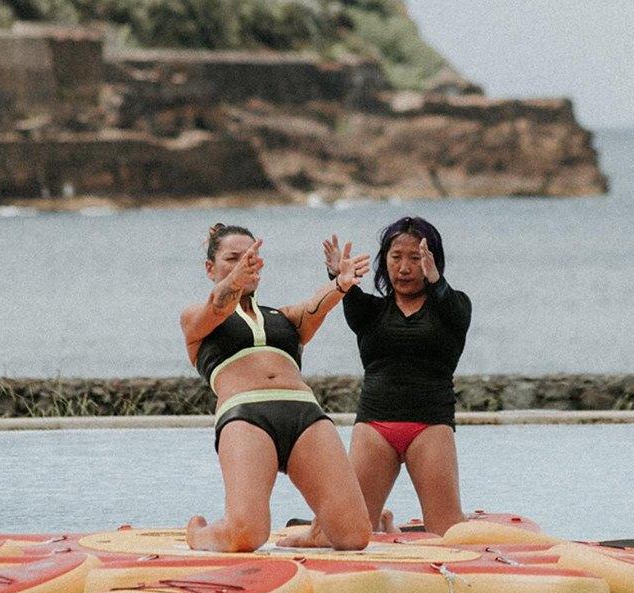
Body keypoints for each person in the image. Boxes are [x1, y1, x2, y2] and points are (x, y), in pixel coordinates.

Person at [182, 224, 372, 553]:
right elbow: (218, 305)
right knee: (246, 536)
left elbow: (316, 305)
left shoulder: (282, 316)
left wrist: (340, 284)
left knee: (355, 536)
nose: (246, 264)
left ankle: (316, 533)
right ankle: (200, 534)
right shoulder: (198, 318)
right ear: (210, 268)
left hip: (304, 415)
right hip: (246, 416)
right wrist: (234, 281)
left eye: (252, 257)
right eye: (233, 258)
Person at [330, 216, 474, 535]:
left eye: (415, 258)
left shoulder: (455, 307)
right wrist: (337, 277)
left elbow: (456, 312)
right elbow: (344, 294)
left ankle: (387, 525)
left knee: (446, 532)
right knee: (350, 532)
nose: (404, 267)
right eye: (396, 257)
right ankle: (380, 524)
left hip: (430, 426)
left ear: (431, 261)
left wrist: (437, 281)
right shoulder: (368, 311)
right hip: (375, 427)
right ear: (385, 261)